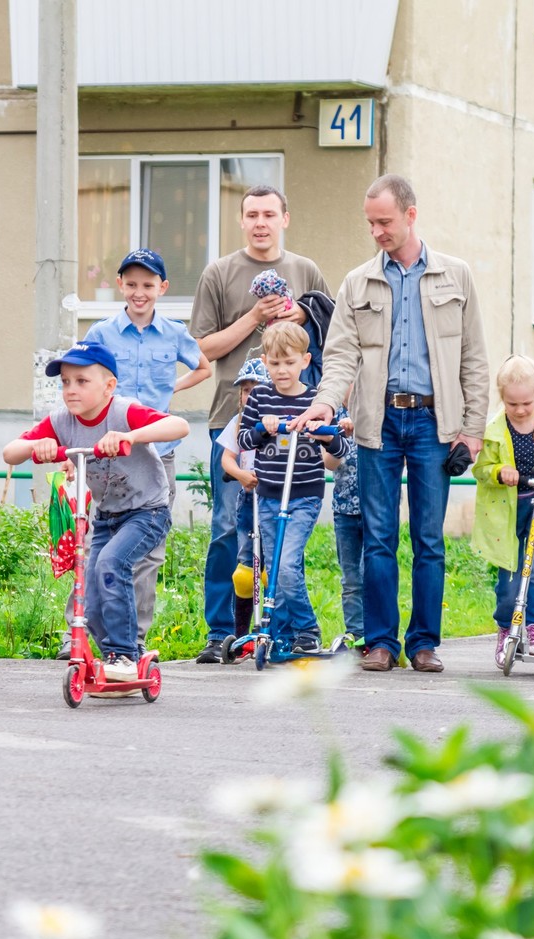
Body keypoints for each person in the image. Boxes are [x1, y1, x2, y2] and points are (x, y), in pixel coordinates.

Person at [295, 174, 491, 674]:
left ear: (410, 214)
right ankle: (380, 642)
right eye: (370, 223)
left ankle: (424, 642)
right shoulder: (357, 282)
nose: (376, 231)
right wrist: (324, 402)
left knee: (428, 539)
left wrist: (471, 430)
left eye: (384, 222)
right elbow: (340, 356)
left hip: (433, 422)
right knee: (378, 536)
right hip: (376, 422)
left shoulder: (456, 275)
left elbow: (474, 358)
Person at [190, 185, 329, 663]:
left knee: (283, 529)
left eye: (270, 214)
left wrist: (298, 315)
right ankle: (220, 631)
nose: (261, 222)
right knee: (229, 529)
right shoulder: (220, 273)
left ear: (285, 219)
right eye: (252, 214)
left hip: (294, 425)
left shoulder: (305, 270)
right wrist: (254, 316)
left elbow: (330, 335)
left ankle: (286, 629)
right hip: (232, 422)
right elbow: (201, 349)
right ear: (242, 220)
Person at [3, 343, 189, 681]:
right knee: (90, 590)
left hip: (147, 511)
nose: (71, 390)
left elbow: (179, 426)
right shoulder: (62, 420)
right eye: (65, 382)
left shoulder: (124, 411)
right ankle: (112, 659)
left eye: (81, 381)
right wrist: (38, 446)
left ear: (108, 386)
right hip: (106, 516)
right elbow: (10, 453)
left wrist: (130, 436)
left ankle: (125, 655)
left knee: (109, 564)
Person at [75, 248, 209, 655]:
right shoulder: (101, 333)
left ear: (162, 288)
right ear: (120, 285)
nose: (139, 292)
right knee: (96, 541)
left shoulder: (173, 332)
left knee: (148, 552)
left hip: (157, 453)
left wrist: (173, 389)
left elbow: (202, 366)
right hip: (107, 452)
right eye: (131, 284)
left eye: (148, 285)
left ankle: (133, 637)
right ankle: (77, 632)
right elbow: (79, 377)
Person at [237, 322, 348, 654]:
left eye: (289, 362)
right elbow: (243, 439)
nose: (281, 370)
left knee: (287, 565)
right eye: (274, 363)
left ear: (304, 360)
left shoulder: (317, 399)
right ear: (266, 363)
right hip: (268, 494)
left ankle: (307, 628)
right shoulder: (259, 396)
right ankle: (282, 634)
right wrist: (263, 428)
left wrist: (323, 432)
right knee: (276, 569)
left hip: (304, 494)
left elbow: (339, 450)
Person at [470, 355, 534, 667]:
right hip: (506, 511)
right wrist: (499, 470)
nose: (521, 410)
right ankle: (506, 627)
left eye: (527, 402)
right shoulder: (494, 430)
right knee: (509, 576)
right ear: (502, 399)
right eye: (513, 404)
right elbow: (480, 469)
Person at [216, 358, 270, 647]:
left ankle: (278, 629)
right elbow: (227, 458)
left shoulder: (279, 421)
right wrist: (241, 475)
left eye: (256, 388)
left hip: (273, 500)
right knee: (245, 573)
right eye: (246, 390)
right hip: (249, 499)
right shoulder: (238, 423)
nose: (250, 395)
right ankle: (242, 636)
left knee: (272, 569)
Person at [323, 408, 363, 647]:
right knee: (350, 579)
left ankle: (378, 634)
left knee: (373, 573)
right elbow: (329, 463)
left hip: (377, 510)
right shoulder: (334, 416)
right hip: (344, 508)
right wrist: (343, 436)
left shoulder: (379, 408)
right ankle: (356, 634)